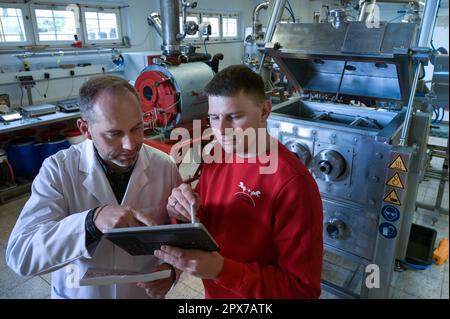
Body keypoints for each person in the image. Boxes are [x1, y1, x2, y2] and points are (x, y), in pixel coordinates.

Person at [142, 65, 324, 298]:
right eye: (214, 117)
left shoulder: (293, 184)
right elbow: (210, 220)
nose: (221, 129)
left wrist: (221, 270)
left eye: (234, 117)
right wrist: (184, 211)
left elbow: (302, 290)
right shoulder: (217, 156)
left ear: (265, 111)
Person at [6, 75, 182, 299]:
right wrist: (90, 222)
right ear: (85, 128)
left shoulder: (163, 166)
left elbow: (180, 235)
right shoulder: (59, 170)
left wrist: (172, 272)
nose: (131, 144)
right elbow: (21, 255)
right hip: (81, 293)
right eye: (114, 134)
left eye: (137, 128)